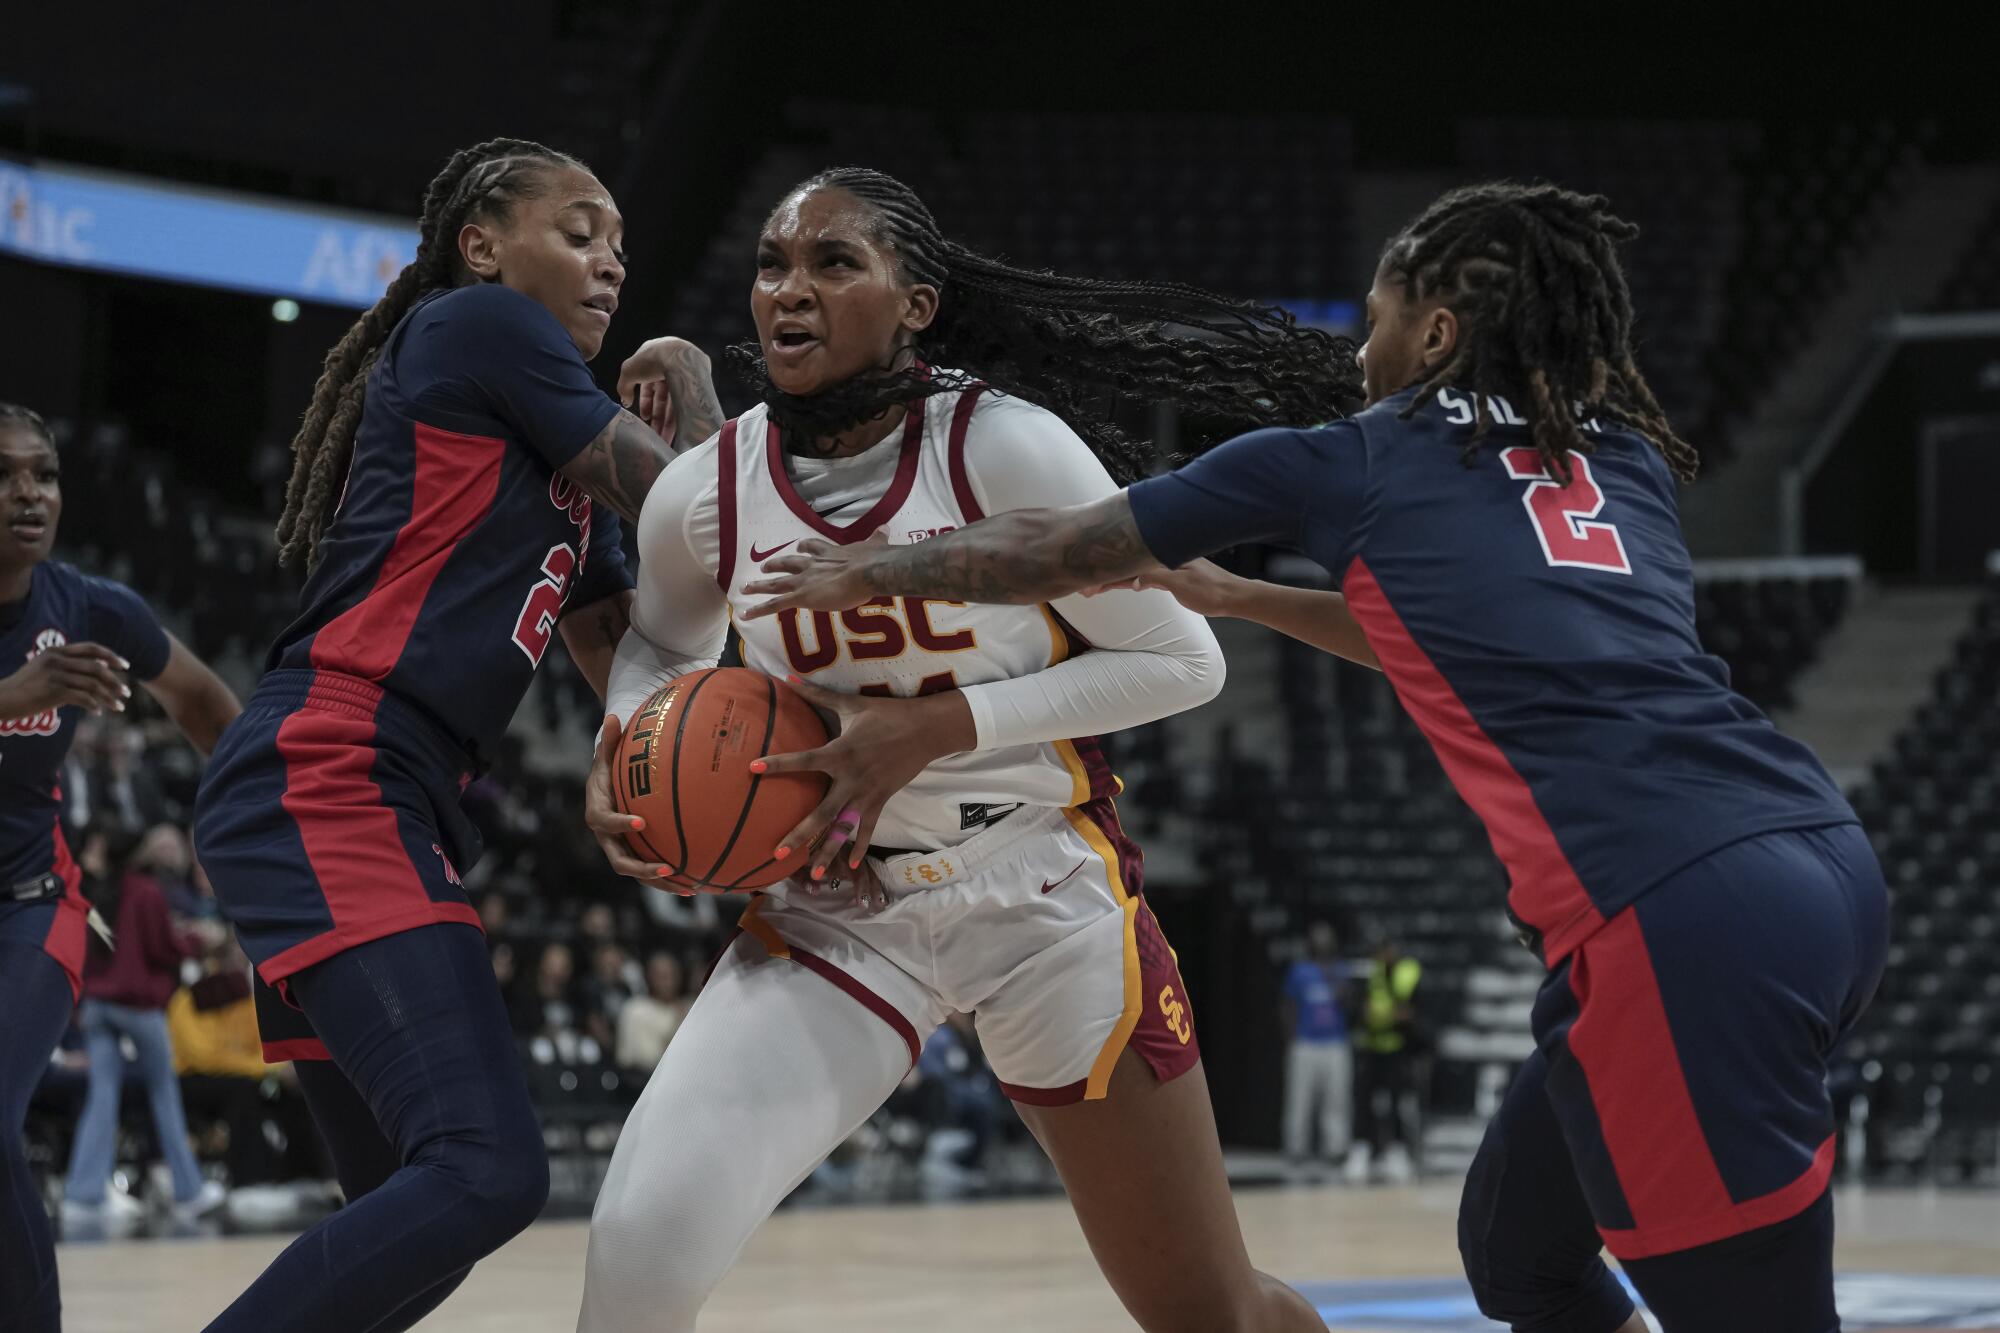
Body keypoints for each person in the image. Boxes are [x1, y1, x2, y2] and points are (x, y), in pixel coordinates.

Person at [746, 182, 1888, 1333]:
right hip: (1816, 858)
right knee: (1520, 1253)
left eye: (1377, 315)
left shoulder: (1347, 458)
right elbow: (1455, 643)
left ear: (1435, 334)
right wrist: (1238, 596)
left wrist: (866, 572)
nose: (1359, 350)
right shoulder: (1613, 457)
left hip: (1671, 910)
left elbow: (1047, 549)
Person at [577, 167, 1353, 1333]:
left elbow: (1183, 661)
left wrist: (938, 727)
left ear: (914, 304)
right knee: (635, 1261)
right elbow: (655, 654)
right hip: (835, 912)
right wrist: (628, 745)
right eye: (773, 265)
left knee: (1210, 1313)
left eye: (834, 263)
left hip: (1036, 895)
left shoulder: (1002, 449)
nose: (791, 289)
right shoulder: (705, 489)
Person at [189, 137, 719, 1333]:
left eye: (620, 251)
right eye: (576, 232)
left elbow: (626, 650)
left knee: (414, 1218)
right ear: (482, 246)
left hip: (389, 785)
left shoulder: (563, 465)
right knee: (487, 1169)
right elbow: (703, 509)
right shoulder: (481, 326)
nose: (608, 265)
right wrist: (694, 388)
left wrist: (636, 758)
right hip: (334, 764)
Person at [0, 401, 240, 1332]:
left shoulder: (90, 608)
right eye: (4, 474)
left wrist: (238, 832)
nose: (28, 492)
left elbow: (208, 702)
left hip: (31, 904)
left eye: (45, 474)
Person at [62, 822, 229, 1224]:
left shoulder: (99, 891)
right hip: (137, 1005)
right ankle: (188, 1191)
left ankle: (83, 1196)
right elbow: (163, 948)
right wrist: (199, 940)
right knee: (164, 1094)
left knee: (102, 1097)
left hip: (98, 1004)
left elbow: (94, 946)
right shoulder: (146, 890)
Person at [1347, 936, 1423, 1185]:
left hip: (1396, 1048)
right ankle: (1362, 1151)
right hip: (1371, 1048)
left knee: (1397, 1102)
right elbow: (1361, 1009)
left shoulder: (1408, 971)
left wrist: (1389, 1016)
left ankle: (1397, 1153)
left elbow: (1410, 1013)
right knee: (1363, 1102)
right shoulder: (1369, 972)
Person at [1280, 919, 1353, 1171]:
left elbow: (1350, 1004)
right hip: (1305, 1043)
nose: (1322, 941)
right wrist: (1292, 1037)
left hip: (1335, 1042)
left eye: (1326, 936)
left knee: (1336, 1100)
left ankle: (1334, 1149)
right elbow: (1288, 1005)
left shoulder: (1341, 970)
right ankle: (1296, 1149)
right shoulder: (1300, 971)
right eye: (1317, 936)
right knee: (1300, 1099)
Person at [614, 949, 689, 1074]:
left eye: (672, 975)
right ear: (649, 977)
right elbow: (644, 1058)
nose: (667, 982)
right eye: (662, 976)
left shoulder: (690, 1007)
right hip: (643, 1081)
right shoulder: (635, 1010)